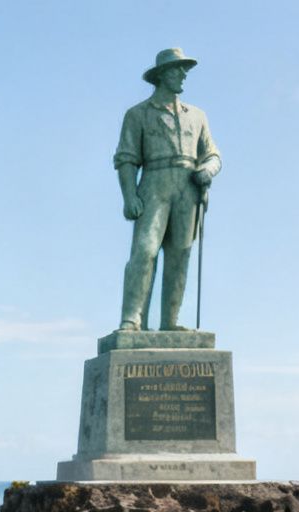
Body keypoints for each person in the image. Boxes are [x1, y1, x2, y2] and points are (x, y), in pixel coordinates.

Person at [115, 47, 221, 332]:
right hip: (154, 184)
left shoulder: (197, 115)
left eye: (184, 69)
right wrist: (129, 195)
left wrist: (206, 170)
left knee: (180, 253)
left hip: (188, 187)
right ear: (161, 75)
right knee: (145, 251)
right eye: (177, 69)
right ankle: (132, 318)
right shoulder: (137, 114)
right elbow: (126, 158)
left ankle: (170, 321)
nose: (183, 74)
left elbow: (212, 154)